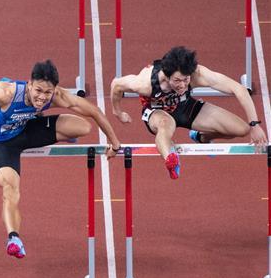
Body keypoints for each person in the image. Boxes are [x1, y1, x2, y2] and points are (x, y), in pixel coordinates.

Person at [0, 60, 121, 259]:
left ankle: (57, 131)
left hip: (26, 129)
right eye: (38, 91)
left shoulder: (57, 95)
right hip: (1, 143)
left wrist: (115, 143)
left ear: (54, 90)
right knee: (10, 188)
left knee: (83, 127)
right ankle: (14, 238)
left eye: (47, 93)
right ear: (30, 84)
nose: (42, 97)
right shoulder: (5, 93)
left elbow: (94, 112)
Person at [110, 46, 267, 179]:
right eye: (177, 81)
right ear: (167, 76)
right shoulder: (145, 83)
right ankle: (170, 159)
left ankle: (201, 137)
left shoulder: (197, 74)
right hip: (157, 112)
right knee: (166, 125)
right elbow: (116, 85)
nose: (183, 85)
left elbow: (238, 89)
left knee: (242, 129)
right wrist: (117, 112)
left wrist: (254, 124)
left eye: (186, 80)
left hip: (185, 107)